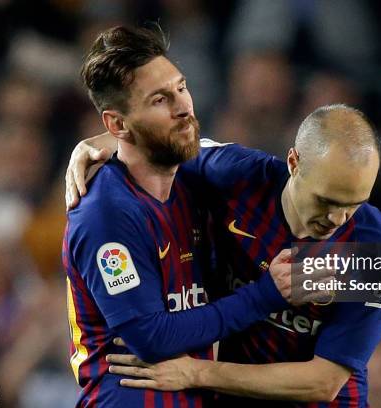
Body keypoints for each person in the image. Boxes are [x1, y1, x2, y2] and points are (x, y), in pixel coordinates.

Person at [66, 104, 381, 406]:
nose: (337, 219)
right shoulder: (237, 176)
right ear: (294, 163)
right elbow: (166, 146)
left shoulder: (377, 248)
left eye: (353, 205)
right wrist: (107, 141)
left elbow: (323, 382)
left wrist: (196, 373)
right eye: (325, 200)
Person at [65, 25, 319, 408]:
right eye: (160, 100)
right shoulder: (105, 213)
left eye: (182, 88)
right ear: (118, 124)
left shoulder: (198, 178)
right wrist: (264, 295)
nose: (184, 106)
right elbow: (150, 337)